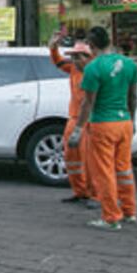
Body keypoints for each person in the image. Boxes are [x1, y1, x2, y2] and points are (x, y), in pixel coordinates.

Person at [70, 26, 137, 231]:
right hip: (124, 122)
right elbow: (132, 97)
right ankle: (129, 212)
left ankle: (111, 218)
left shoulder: (93, 68)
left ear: (90, 46)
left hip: (103, 125)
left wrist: (78, 129)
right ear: (109, 42)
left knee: (104, 172)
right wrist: (132, 120)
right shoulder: (129, 64)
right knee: (124, 170)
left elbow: (87, 104)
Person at [49, 33, 92, 205]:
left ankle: (92, 194)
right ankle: (80, 191)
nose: (74, 60)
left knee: (88, 159)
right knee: (71, 157)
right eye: (73, 56)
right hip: (75, 118)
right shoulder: (74, 68)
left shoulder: (93, 70)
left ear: (88, 57)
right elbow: (58, 61)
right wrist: (53, 48)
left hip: (88, 120)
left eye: (77, 56)